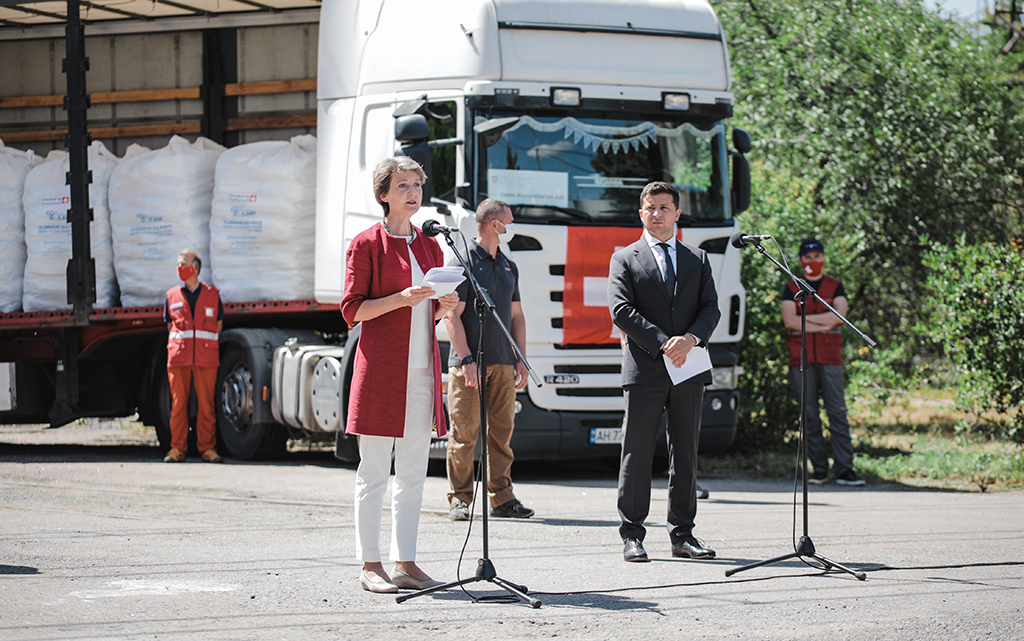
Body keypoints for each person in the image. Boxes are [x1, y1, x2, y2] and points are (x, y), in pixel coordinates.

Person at [340, 156, 460, 594]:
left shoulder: (430, 245)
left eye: (417, 185)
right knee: (373, 472)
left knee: (412, 473)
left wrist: (442, 308)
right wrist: (403, 298)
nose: (413, 192)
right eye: (403, 185)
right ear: (384, 194)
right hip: (380, 373)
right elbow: (354, 310)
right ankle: (371, 564)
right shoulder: (366, 243)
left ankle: (405, 561)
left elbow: (426, 313)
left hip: (423, 373)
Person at [607, 181, 721, 563]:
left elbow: (711, 309)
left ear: (677, 213)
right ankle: (632, 534)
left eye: (664, 207)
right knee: (636, 453)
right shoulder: (624, 258)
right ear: (641, 213)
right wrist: (663, 342)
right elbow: (621, 311)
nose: (656, 213)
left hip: (688, 368)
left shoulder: (697, 259)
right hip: (645, 369)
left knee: (685, 453)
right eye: (650, 207)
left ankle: (683, 534)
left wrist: (689, 339)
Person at [444, 199, 532, 522]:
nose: (511, 226)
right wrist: (466, 359)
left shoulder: (509, 265)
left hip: (503, 362)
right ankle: (460, 500)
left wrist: (520, 358)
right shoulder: (462, 261)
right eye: (508, 221)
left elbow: (518, 317)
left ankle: (502, 499)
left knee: (501, 433)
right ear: (495, 225)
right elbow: (451, 316)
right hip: (469, 363)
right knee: (465, 433)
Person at [781, 238, 864, 486]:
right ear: (801, 260)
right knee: (809, 415)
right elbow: (790, 321)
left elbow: (839, 316)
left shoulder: (835, 286)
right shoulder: (791, 287)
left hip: (830, 359)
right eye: (808, 258)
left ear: (823, 258)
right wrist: (823, 321)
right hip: (801, 358)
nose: (813, 261)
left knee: (837, 412)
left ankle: (844, 469)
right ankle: (818, 469)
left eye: (817, 256)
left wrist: (807, 320)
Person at [163, 249, 224, 464]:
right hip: (179, 358)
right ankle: (177, 448)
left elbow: (217, 326)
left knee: (206, 405)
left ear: (195, 267)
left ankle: (207, 448)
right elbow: (171, 326)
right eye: (178, 264)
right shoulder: (171, 296)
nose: (180, 267)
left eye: (183, 263)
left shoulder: (212, 295)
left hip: (206, 358)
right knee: (178, 405)